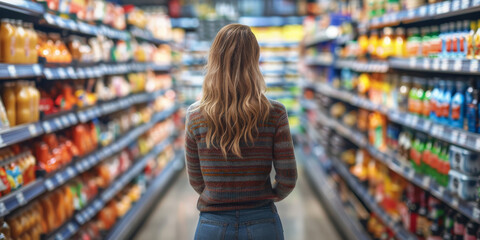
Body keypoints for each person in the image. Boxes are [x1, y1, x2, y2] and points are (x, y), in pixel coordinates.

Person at [184, 23, 297, 240]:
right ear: (254, 60)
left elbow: (196, 180)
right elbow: (288, 178)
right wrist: (266, 196)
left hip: (212, 225)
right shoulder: (275, 113)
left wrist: (218, 196)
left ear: (214, 59)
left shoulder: (195, 115)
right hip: (263, 222)